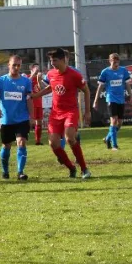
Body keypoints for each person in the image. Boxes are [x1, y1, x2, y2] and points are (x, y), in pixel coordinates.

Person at [30, 48, 92, 179]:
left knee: (70, 137)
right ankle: (71, 167)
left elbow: (86, 91)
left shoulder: (74, 75)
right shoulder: (51, 74)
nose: (53, 63)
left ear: (63, 60)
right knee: (53, 143)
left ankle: (84, 169)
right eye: (51, 61)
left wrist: (87, 112)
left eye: (55, 60)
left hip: (70, 111)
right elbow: (49, 88)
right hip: (55, 113)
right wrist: (35, 95)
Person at [0, 55, 34, 180]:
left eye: (18, 65)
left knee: (22, 142)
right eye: (14, 64)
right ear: (8, 65)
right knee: (6, 146)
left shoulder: (26, 81)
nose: (16, 67)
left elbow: (29, 100)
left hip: (22, 119)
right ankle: (5, 171)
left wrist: (32, 117)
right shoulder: (1, 81)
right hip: (6, 120)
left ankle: (20, 172)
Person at [93, 53, 132, 150]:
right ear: (110, 61)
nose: (116, 62)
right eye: (114, 60)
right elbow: (100, 87)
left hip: (121, 99)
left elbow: (127, 84)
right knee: (114, 121)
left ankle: (107, 138)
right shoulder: (105, 72)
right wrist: (95, 101)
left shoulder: (123, 71)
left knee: (119, 123)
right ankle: (114, 145)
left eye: (117, 60)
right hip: (111, 98)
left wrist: (131, 95)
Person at [26, 63, 45, 145]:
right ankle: (22, 138)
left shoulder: (39, 78)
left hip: (39, 103)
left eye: (38, 68)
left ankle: (38, 140)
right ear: (31, 69)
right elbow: (26, 83)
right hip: (30, 104)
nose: (37, 70)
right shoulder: (27, 77)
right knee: (28, 123)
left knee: (39, 122)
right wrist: (33, 75)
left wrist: (39, 80)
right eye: (35, 69)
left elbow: (42, 89)